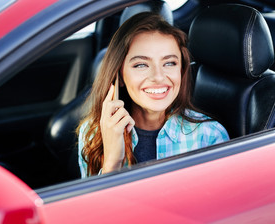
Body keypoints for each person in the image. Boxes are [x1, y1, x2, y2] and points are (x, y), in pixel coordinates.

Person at [77, 12, 229, 178]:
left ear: (181, 70)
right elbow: (97, 205)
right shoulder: (93, 133)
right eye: (141, 65)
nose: (158, 76)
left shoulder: (210, 136)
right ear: (119, 75)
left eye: (169, 63)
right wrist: (112, 163)